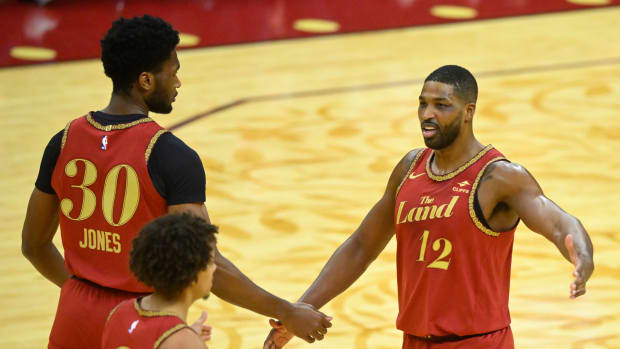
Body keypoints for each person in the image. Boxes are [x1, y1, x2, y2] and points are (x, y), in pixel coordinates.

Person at [21, 14, 331, 349]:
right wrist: (286, 310)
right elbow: (205, 262)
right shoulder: (169, 154)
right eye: (173, 71)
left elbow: (33, 245)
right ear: (145, 80)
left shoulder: (63, 142)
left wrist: (81, 292)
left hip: (73, 314)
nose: (179, 82)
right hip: (139, 320)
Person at [263, 65, 594, 349]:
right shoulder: (410, 167)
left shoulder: (499, 176)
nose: (427, 115)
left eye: (441, 105)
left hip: (477, 341)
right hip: (415, 340)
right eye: (422, 104)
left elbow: (559, 223)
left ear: (468, 112)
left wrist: (580, 253)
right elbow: (361, 247)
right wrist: (300, 310)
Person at [102, 213, 217, 349]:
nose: (214, 268)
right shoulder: (184, 342)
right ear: (192, 273)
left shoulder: (119, 313)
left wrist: (185, 335)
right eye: (210, 262)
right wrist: (186, 340)